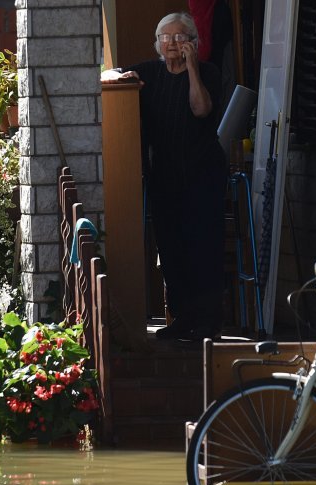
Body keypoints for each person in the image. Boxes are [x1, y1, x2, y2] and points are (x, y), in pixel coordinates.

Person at [101, 12, 227, 341]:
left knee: (203, 246)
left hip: (203, 172)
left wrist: (193, 70)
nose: (171, 43)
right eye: (165, 38)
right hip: (165, 174)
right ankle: (184, 318)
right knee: (171, 248)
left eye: (179, 37)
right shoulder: (149, 72)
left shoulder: (209, 73)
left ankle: (208, 322)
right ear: (157, 44)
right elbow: (110, 74)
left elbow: (201, 109)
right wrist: (121, 76)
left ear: (193, 43)